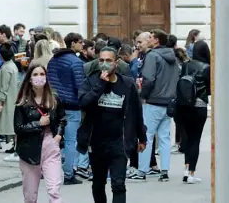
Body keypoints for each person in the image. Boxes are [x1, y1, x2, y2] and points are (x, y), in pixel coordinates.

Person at [77, 47, 146, 203]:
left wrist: (142, 137)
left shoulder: (127, 84)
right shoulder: (90, 81)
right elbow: (83, 103)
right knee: (98, 184)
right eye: (101, 60)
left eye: (108, 60)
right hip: (96, 142)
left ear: (117, 62)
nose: (104, 64)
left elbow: (137, 112)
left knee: (118, 184)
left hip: (119, 142)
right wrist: (101, 84)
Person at [14, 63, 66, 203]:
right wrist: (38, 123)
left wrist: (58, 135)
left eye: (42, 74)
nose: (39, 78)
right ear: (29, 79)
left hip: (50, 145)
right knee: (30, 196)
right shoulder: (22, 102)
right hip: (29, 150)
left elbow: (62, 118)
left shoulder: (54, 98)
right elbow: (18, 127)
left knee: (54, 190)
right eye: (35, 74)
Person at [132, 29, 179, 182]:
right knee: (165, 137)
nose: (149, 39)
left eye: (151, 37)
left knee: (147, 136)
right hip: (169, 102)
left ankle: (142, 170)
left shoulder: (153, 56)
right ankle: (164, 171)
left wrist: (142, 96)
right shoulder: (172, 56)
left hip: (153, 101)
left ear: (157, 40)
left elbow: (149, 79)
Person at [46, 32, 85, 185]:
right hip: (71, 105)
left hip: (55, 104)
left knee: (53, 139)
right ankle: (68, 174)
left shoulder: (53, 60)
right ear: (73, 43)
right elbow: (80, 86)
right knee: (70, 141)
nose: (82, 45)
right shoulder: (75, 62)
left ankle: (50, 170)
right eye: (80, 42)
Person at [174, 48, 210, 184]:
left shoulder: (185, 65)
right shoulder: (207, 68)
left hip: (183, 106)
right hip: (199, 107)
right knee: (195, 140)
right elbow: (210, 89)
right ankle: (191, 174)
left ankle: (185, 169)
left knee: (187, 139)